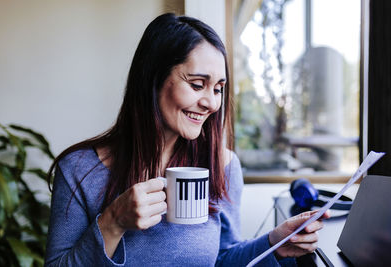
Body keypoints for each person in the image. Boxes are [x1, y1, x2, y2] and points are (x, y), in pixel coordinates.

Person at [45, 13, 329, 266]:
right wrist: (113, 223)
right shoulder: (79, 170)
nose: (211, 103)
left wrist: (275, 244)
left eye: (218, 88)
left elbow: (223, 259)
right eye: (196, 85)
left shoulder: (223, 165)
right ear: (152, 79)